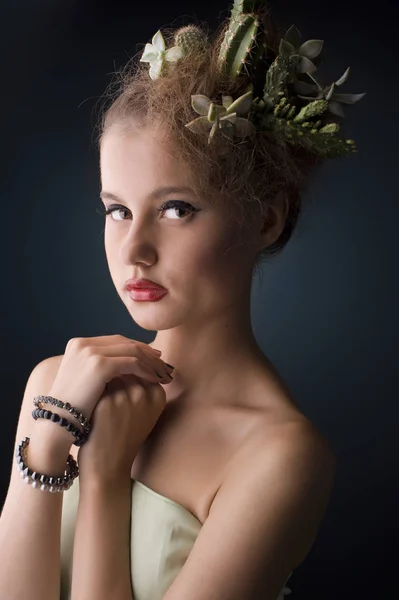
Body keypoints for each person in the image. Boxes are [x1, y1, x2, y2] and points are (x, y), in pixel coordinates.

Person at [0, 2, 365, 599]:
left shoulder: (279, 456)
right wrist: (47, 439)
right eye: (117, 210)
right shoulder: (58, 387)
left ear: (266, 220)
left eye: (177, 209)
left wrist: (106, 478)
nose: (134, 250)